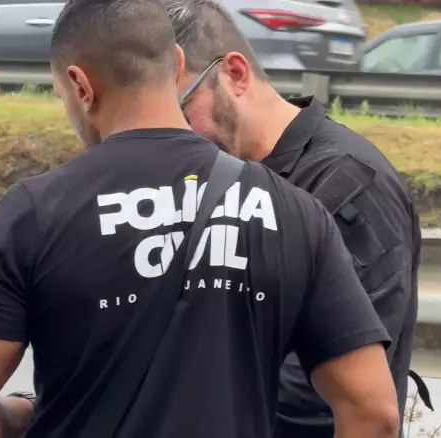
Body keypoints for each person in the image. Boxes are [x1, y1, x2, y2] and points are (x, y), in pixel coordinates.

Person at [0, 0, 400, 437]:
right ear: (177, 66)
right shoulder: (295, 211)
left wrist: (25, 415)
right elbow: (373, 412)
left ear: (81, 86)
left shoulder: (32, 213)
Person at [164, 1, 425, 437]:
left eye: (181, 110)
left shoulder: (348, 185)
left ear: (235, 74)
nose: (173, 133)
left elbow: (329, 394)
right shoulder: (212, 176)